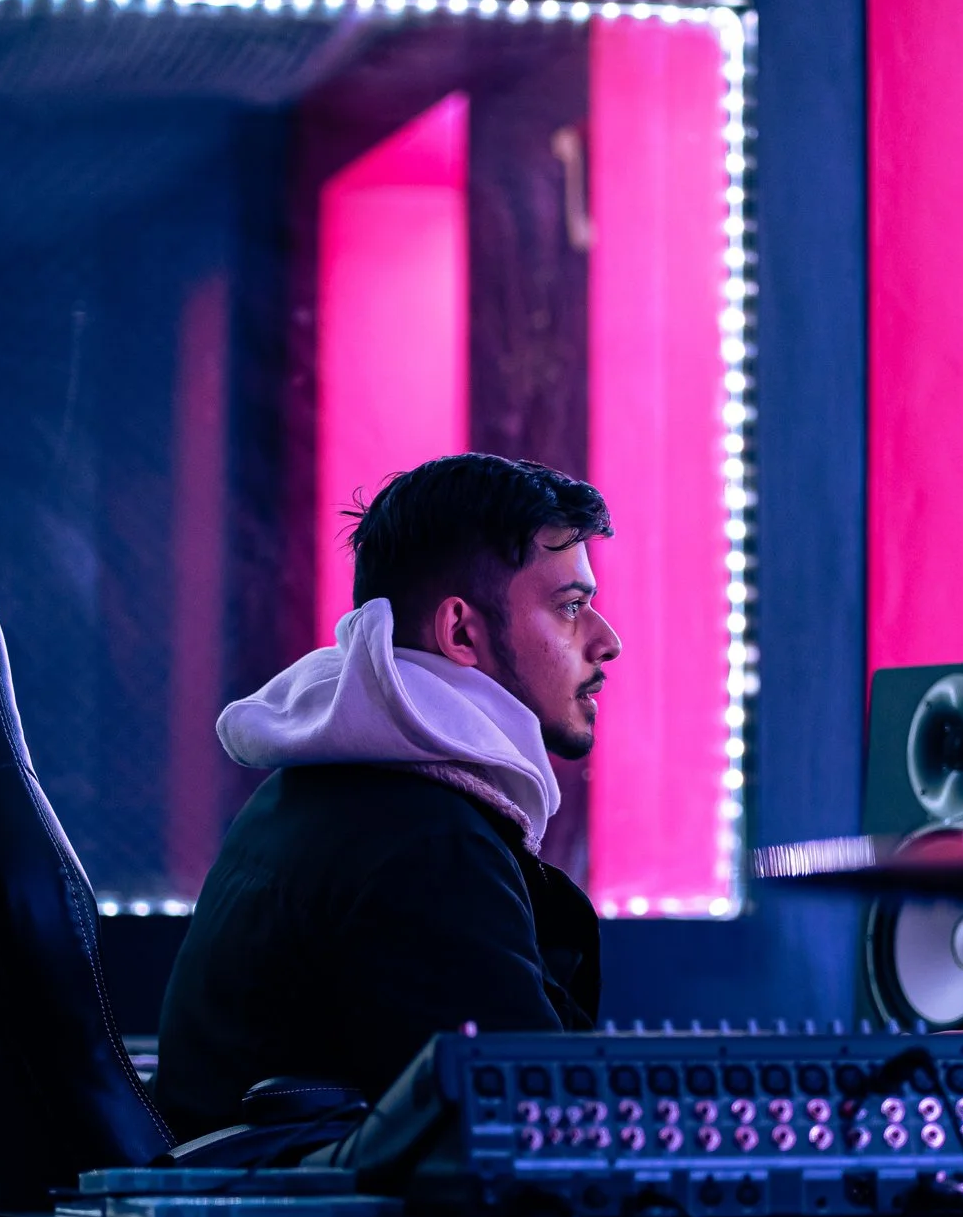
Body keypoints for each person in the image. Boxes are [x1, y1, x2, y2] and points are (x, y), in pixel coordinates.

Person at [154, 452, 621, 1142]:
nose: (606, 641)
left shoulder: (317, 793)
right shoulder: (429, 852)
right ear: (461, 631)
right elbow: (540, 1138)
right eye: (571, 608)